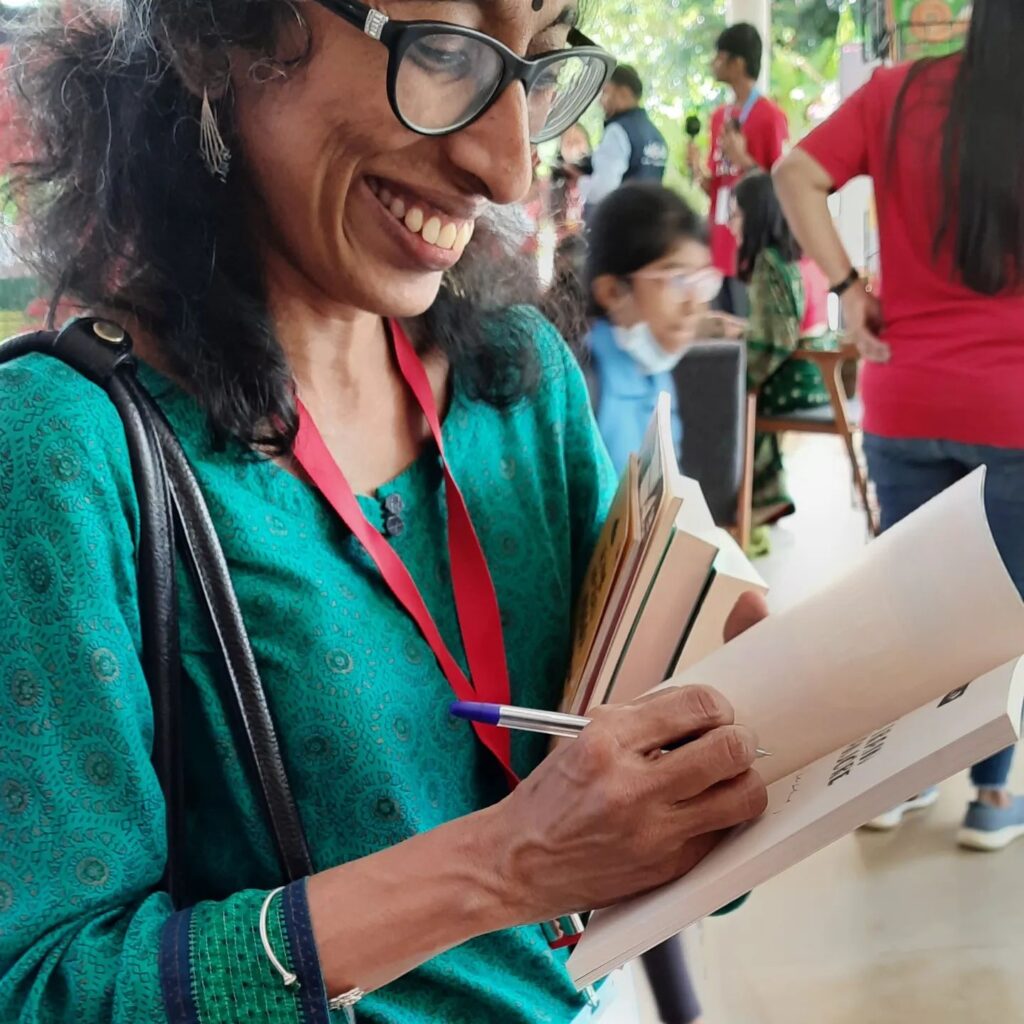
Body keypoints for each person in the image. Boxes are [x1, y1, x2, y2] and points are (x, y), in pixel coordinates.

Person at [0, 2, 770, 1023]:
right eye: (444, 54)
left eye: (535, 68)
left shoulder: (518, 382)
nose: (507, 168)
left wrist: (729, 749)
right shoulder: (65, 451)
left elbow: (638, 856)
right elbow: (46, 987)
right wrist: (502, 866)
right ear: (216, 39)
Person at [774, 0, 1024, 850]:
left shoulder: (896, 94)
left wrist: (848, 290)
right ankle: (992, 800)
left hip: (905, 400)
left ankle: (893, 786)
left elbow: (793, 173)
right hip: (1013, 412)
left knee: (917, 610)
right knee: (1000, 614)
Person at [583, 183, 725, 476]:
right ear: (612, 292)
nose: (695, 305)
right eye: (677, 280)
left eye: (701, 282)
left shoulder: (655, 374)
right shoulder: (581, 386)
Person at [731, 172, 837, 525]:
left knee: (725, 389)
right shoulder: (798, 255)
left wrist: (733, 373)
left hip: (797, 379)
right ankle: (766, 494)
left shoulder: (769, 263)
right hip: (820, 378)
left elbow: (774, 342)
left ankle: (748, 500)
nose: (731, 225)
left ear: (757, 215)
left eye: (736, 214)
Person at [688, 23, 789, 317]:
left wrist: (743, 158)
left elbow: (780, 187)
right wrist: (697, 171)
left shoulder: (770, 117)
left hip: (753, 248)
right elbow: (717, 187)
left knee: (748, 332)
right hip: (720, 243)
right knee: (723, 337)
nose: (713, 63)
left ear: (738, 62)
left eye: (720, 56)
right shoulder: (720, 116)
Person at [584, 65, 669, 216]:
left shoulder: (617, 131)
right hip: (649, 227)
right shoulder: (657, 137)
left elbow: (602, 191)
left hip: (620, 227)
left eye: (605, 92)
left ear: (624, 93)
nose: (600, 102)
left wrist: (579, 182)